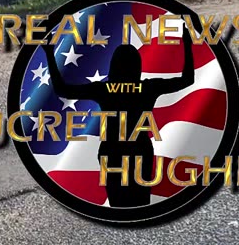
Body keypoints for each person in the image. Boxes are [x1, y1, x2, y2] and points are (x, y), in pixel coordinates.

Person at [44, 33, 193, 207]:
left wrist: (49, 53)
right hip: (139, 150)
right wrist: (187, 45)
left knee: (118, 203)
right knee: (141, 204)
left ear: (113, 66)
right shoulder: (148, 88)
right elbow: (187, 79)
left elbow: (63, 90)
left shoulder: (104, 89)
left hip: (112, 151)